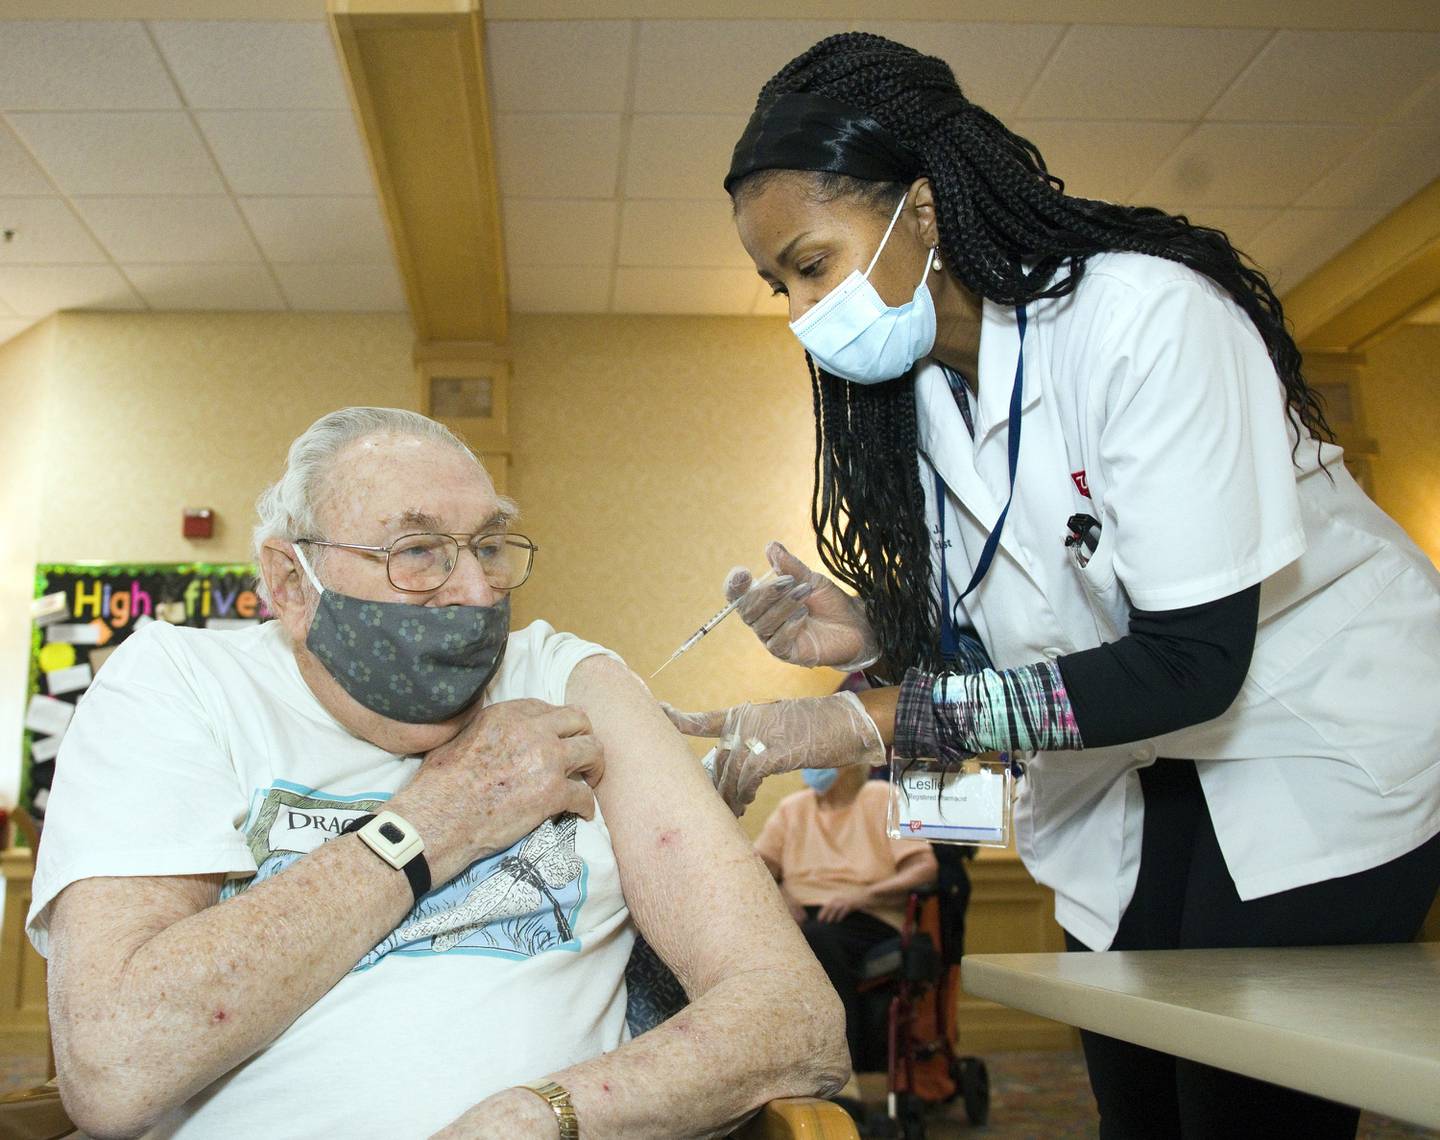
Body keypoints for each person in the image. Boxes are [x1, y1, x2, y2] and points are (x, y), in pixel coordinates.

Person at [666, 32, 1440, 1140]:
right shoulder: (926, 402)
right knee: (1138, 1100)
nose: (799, 313)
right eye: (777, 283)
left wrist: (868, 721)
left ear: (921, 211)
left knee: (1236, 1105)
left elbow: (1190, 661)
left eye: (810, 264)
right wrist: (883, 636)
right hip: (1131, 767)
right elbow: (1037, 626)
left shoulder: (1145, 322)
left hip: (1312, 740)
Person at [28, 407, 847, 1138]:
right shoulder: (182, 685)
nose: (474, 591)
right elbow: (115, 1067)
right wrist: (440, 817)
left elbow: (795, 1015)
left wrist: (540, 1115)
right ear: (290, 582)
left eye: (489, 546)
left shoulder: (568, 681)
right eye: (416, 551)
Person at [754, 762, 938, 1073]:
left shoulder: (882, 797)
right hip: (804, 919)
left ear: (852, 762)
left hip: (869, 915)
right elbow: (757, 866)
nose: (813, 766)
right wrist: (783, 896)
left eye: (823, 758)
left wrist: (863, 895)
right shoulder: (793, 808)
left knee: (815, 940)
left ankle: (842, 1065)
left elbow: (925, 868)